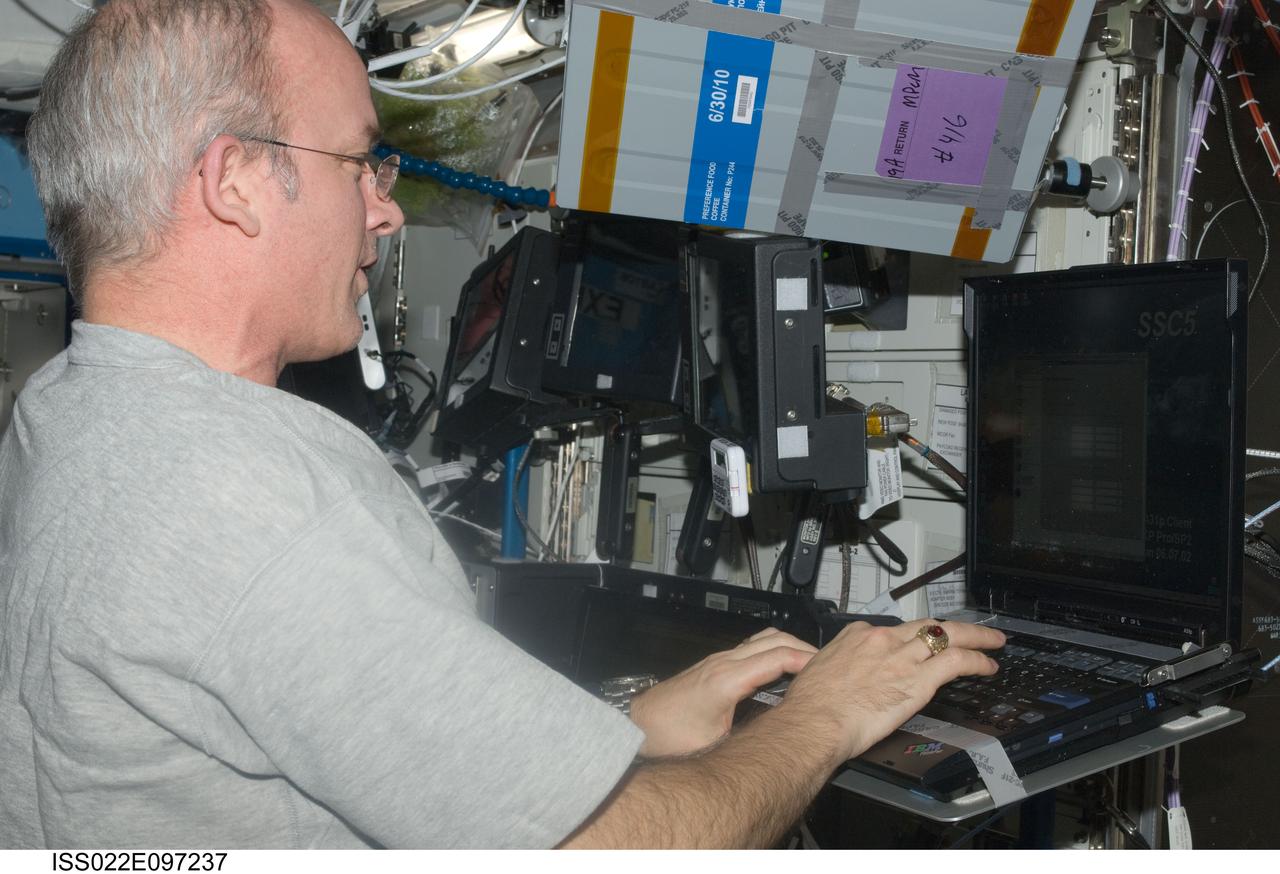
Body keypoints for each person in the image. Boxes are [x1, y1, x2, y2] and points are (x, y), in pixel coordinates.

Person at [0, 0, 1006, 849]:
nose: (385, 211)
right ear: (235, 183)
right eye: (359, 162)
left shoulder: (69, 416)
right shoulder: (246, 493)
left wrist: (626, 730)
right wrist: (826, 715)